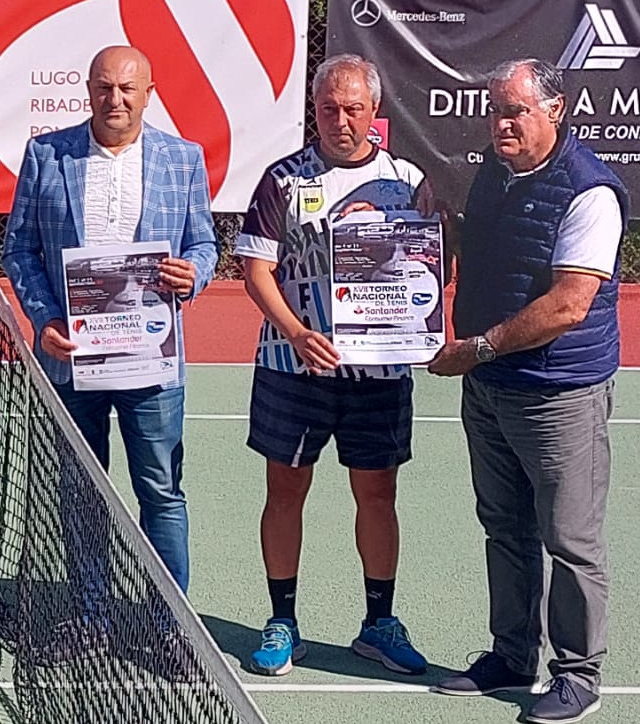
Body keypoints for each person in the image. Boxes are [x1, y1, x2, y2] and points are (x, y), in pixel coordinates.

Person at [427, 58, 625, 724]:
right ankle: (512, 654)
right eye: (497, 111)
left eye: (516, 111)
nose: (503, 123)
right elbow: (474, 251)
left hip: (557, 393)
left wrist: (476, 349)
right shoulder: (494, 171)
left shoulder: (590, 191)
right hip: (488, 388)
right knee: (503, 527)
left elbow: (569, 306)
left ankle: (577, 675)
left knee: (569, 539)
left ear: (556, 109)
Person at [231, 54, 431, 678]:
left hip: (379, 374)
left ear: (375, 111)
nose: (340, 120)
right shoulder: (283, 179)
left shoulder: (408, 179)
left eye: (352, 109)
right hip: (293, 369)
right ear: (313, 110)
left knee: (378, 491)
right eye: (327, 108)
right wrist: (294, 331)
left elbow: (424, 265)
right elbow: (255, 266)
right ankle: (283, 620)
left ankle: (379, 623)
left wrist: (414, 330)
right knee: (286, 490)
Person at [2, 45, 219, 596]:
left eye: (127, 89)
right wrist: (44, 317)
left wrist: (192, 273)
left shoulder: (183, 157)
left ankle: (171, 620)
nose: (114, 99)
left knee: (161, 491)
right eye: (104, 87)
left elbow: (203, 243)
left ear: (149, 93)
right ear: (89, 90)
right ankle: (91, 610)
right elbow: (20, 251)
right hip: (74, 359)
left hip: (152, 363)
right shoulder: (46, 155)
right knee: (81, 490)